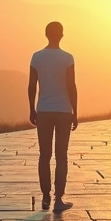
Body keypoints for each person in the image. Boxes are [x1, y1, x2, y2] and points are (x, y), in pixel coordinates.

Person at [28, 21, 77, 211]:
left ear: (46, 34)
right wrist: (75, 111)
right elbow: (71, 86)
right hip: (64, 110)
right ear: (62, 35)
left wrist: (32, 109)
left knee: (44, 155)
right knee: (61, 156)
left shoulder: (36, 57)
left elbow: (32, 85)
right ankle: (58, 200)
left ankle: (46, 197)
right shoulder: (67, 58)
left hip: (44, 110)